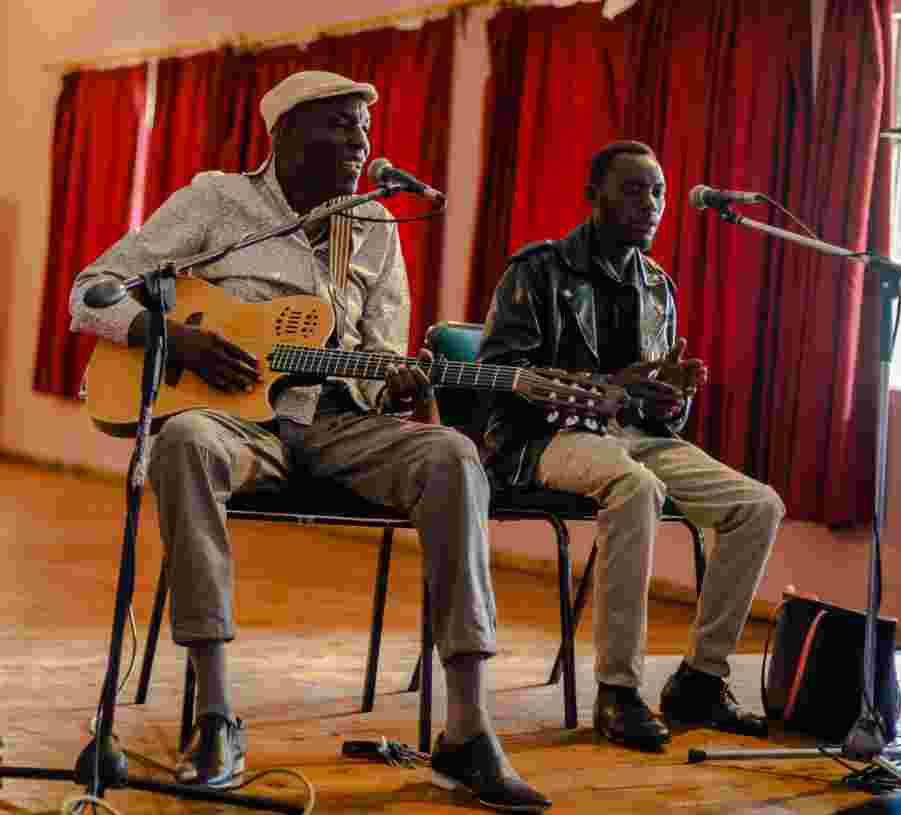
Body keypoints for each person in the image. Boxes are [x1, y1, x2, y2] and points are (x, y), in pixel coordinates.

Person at [70, 71, 550, 812]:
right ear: (285, 132)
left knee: (453, 455)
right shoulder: (216, 202)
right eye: (340, 126)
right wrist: (173, 339)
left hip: (343, 424)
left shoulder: (376, 227)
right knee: (182, 439)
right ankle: (217, 715)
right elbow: (93, 288)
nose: (360, 143)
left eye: (364, 128)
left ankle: (467, 727)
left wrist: (400, 382)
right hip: (238, 424)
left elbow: (385, 348)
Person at [477, 140, 786, 752]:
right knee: (635, 486)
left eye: (659, 193)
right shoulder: (537, 270)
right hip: (545, 439)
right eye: (634, 189)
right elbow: (501, 378)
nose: (651, 204)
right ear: (593, 195)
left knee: (759, 506)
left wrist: (671, 399)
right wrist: (608, 387)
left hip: (637, 438)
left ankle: (700, 679)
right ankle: (618, 690)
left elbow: (654, 402)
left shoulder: (657, 287)